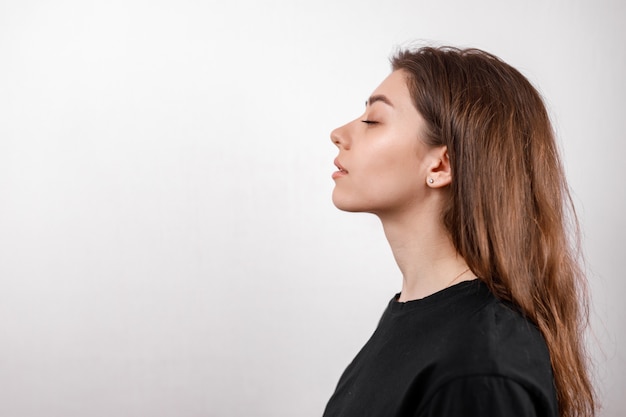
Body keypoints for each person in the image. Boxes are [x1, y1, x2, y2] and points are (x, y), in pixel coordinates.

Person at [323, 46, 595, 417]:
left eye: (373, 120)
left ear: (441, 164)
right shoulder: (415, 321)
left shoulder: (480, 368)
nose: (338, 133)